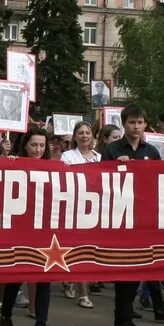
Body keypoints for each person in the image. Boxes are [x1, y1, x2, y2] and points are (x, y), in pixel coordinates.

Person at [102, 105, 164, 326]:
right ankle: (122, 319)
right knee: (122, 270)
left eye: (139, 122)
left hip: (143, 219)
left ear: (145, 124)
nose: (135, 127)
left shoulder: (152, 151)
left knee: (137, 269)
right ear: (124, 124)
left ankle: (125, 316)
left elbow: (158, 182)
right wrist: (117, 168)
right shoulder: (112, 149)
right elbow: (98, 181)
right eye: (131, 123)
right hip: (119, 217)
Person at [0, 128, 58, 326]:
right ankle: (5, 316)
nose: (38, 150)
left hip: (43, 229)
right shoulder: (15, 163)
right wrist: (7, 162)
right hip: (20, 228)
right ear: (25, 145)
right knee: (17, 275)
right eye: (34, 145)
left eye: (42, 146)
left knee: (44, 278)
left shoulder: (53, 168)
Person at [59, 121, 99, 309]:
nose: (84, 135)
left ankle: (71, 280)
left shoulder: (99, 157)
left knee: (88, 250)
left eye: (87, 132)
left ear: (92, 136)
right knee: (77, 249)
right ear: (75, 137)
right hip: (73, 207)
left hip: (94, 209)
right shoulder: (67, 156)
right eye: (80, 133)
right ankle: (82, 293)